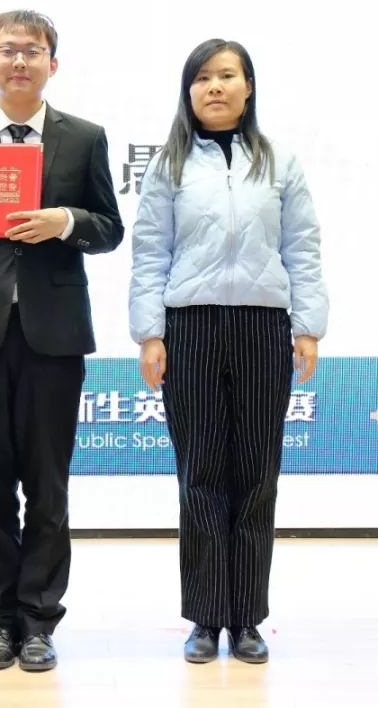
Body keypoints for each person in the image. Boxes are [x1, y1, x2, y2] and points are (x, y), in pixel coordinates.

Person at [0, 10, 123, 672]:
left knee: (47, 484)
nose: (19, 61)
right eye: (7, 50)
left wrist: (66, 220)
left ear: (52, 65)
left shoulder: (84, 137)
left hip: (53, 336)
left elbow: (110, 228)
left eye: (32, 51)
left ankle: (38, 621)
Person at [129, 38, 328, 664]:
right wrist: (150, 333)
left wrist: (308, 326)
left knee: (257, 475)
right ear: (188, 92)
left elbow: (303, 246)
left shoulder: (279, 162)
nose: (214, 87)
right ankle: (205, 617)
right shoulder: (169, 165)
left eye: (227, 76)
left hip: (264, 328)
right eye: (202, 78)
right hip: (189, 327)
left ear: (248, 87)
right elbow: (150, 251)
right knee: (201, 474)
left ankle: (247, 620)